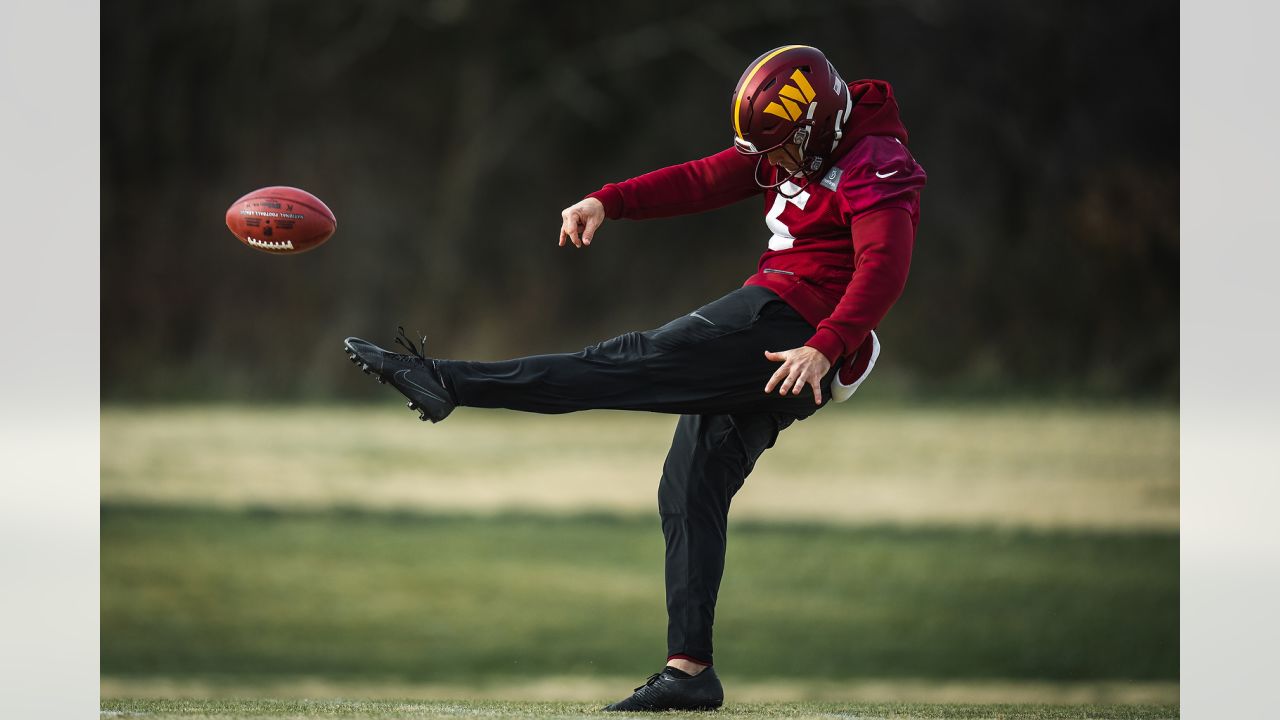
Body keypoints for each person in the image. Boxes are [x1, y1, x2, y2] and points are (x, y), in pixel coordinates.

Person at [343, 44, 926, 711]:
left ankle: (443, 381)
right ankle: (689, 671)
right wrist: (609, 201)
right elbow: (706, 177)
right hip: (785, 341)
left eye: (781, 152)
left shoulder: (877, 163)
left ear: (816, 126)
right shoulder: (795, 136)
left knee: (621, 364)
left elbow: (884, 266)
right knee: (689, 488)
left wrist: (825, 346)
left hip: (790, 328)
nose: (771, 167)